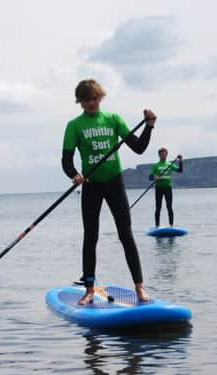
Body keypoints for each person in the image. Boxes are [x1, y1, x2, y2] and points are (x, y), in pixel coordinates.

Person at [61, 79, 157, 305]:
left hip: (114, 182)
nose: (92, 103)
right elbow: (66, 159)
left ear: (100, 97)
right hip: (91, 184)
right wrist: (74, 174)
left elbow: (139, 148)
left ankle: (140, 287)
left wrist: (149, 126)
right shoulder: (74, 125)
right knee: (90, 236)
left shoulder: (113, 120)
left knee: (126, 234)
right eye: (86, 100)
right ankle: (89, 289)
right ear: (80, 102)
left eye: (95, 98)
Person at [149, 147, 183, 227]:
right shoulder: (156, 165)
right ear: (159, 155)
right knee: (158, 207)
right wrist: (155, 177)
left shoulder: (169, 164)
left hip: (168, 188)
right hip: (159, 188)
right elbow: (150, 177)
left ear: (167, 154)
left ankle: (171, 225)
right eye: (162, 154)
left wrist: (180, 162)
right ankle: (157, 226)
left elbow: (180, 170)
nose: (163, 156)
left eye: (165, 154)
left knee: (169, 207)